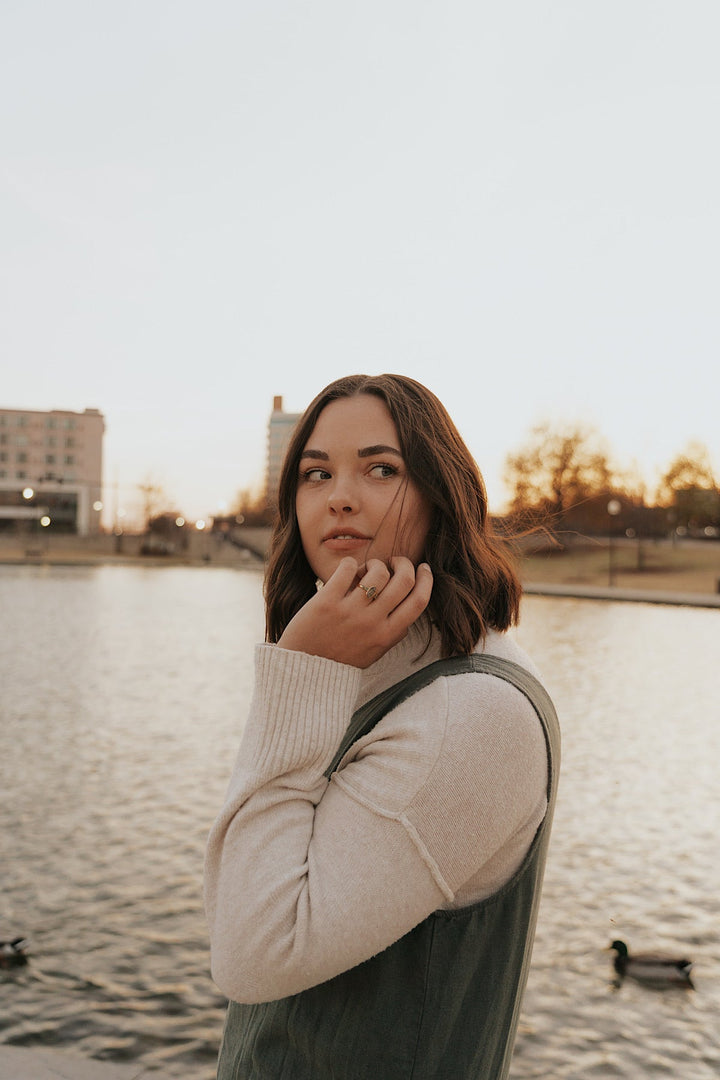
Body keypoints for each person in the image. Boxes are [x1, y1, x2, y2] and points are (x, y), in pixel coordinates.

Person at [204, 374, 560, 1080]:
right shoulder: (374, 670)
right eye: (316, 474)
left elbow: (247, 957)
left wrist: (298, 673)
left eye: (381, 468)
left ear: (442, 493)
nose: (340, 494)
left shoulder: (472, 713)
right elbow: (231, 902)